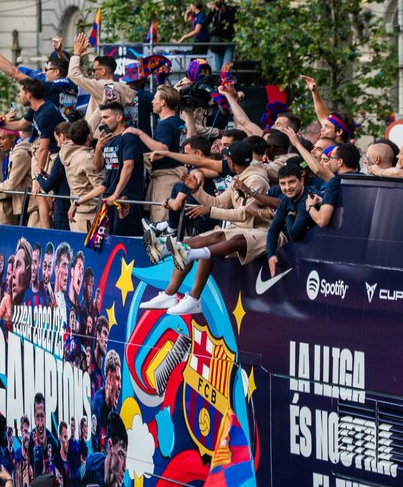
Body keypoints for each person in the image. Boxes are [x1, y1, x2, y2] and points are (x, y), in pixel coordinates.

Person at [140, 141, 270, 316]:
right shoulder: (240, 176)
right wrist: (196, 191)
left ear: (231, 161)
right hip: (238, 228)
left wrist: (210, 211)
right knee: (201, 241)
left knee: (209, 241)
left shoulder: (255, 180)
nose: (224, 162)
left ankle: (166, 252)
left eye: (226, 158)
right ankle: (170, 293)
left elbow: (244, 214)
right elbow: (219, 202)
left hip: (253, 232)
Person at [76, 102, 147, 237]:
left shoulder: (128, 137)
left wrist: (116, 193)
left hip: (126, 201)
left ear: (119, 117)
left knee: (123, 245)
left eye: (106, 117)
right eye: (102, 117)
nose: (103, 121)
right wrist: (98, 148)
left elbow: (128, 166)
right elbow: (97, 168)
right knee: (106, 243)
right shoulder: (107, 139)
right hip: (109, 201)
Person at [125, 85, 185, 224]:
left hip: (165, 179)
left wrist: (138, 132)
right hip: (177, 175)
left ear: (163, 102)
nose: (152, 102)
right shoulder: (180, 123)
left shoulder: (164, 125)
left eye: (155, 99)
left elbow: (163, 149)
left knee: (161, 219)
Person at [266, 163, 314, 275]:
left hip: (316, 252)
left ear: (301, 181)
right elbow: (274, 229)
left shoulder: (308, 198)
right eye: (283, 183)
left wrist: (289, 216)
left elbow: (294, 235)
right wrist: (271, 255)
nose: (287, 188)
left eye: (291, 182)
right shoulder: (287, 200)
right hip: (303, 251)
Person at [206, 0, 237, 70]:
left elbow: (233, 21)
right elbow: (206, 22)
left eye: (219, 1)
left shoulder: (229, 9)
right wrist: (212, 11)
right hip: (217, 41)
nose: (218, 3)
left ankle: (226, 80)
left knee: (227, 65)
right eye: (216, 1)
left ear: (223, 1)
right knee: (217, 67)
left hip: (227, 39)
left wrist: (224, 11)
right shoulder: (215, 11)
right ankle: (219, 81)